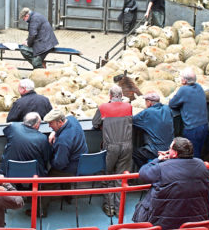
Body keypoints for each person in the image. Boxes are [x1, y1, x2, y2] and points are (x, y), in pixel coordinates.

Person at [132, 137, 209, 230]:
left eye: (170, 149)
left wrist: (158, 160)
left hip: (164, 225)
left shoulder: (161, 168)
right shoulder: (201, 164)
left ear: (175, 153)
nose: (168, 150)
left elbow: (143, 173)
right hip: (197, 221)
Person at [93, 85, 133, 217]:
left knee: (108, 175)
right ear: (121, 95)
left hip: (110, 147)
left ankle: (109, 208)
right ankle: (119, 208)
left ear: (110, 96)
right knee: (121, 178)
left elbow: (95, 123)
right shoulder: (129, 107)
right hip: (127, 146)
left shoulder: (103, 107)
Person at [40, 109, 88, 217]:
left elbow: (60, 164)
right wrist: (54, 132)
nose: (49, 126)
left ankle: (41, 211)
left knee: (47, 182)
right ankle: (68, 196)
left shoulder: (63, 141)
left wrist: (50, 160)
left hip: (72, 166)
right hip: (81, 160)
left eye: (51, 124)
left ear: (60, 122)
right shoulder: (72, 120)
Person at [169, 68, 208, 158]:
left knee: (192, 155)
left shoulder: (183, 90)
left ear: (184, 80)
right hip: (204, 125)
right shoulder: (199, 86)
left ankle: (195, 171)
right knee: (198, 151)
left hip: (192, 128)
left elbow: (172, 104)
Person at [0, 112, 51, 177]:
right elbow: (46, 157)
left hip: (9, 172)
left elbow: (6, 132)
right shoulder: (43, 138)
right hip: (34, 175)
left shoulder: (13, 127)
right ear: (36, 125)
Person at [132, 92, 173, 169]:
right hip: (169, 148)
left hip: (155, 150)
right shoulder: (167, 109)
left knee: (135, 153)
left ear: (149, 102)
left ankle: (146, 170)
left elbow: (132, 121)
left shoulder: (147, 112)